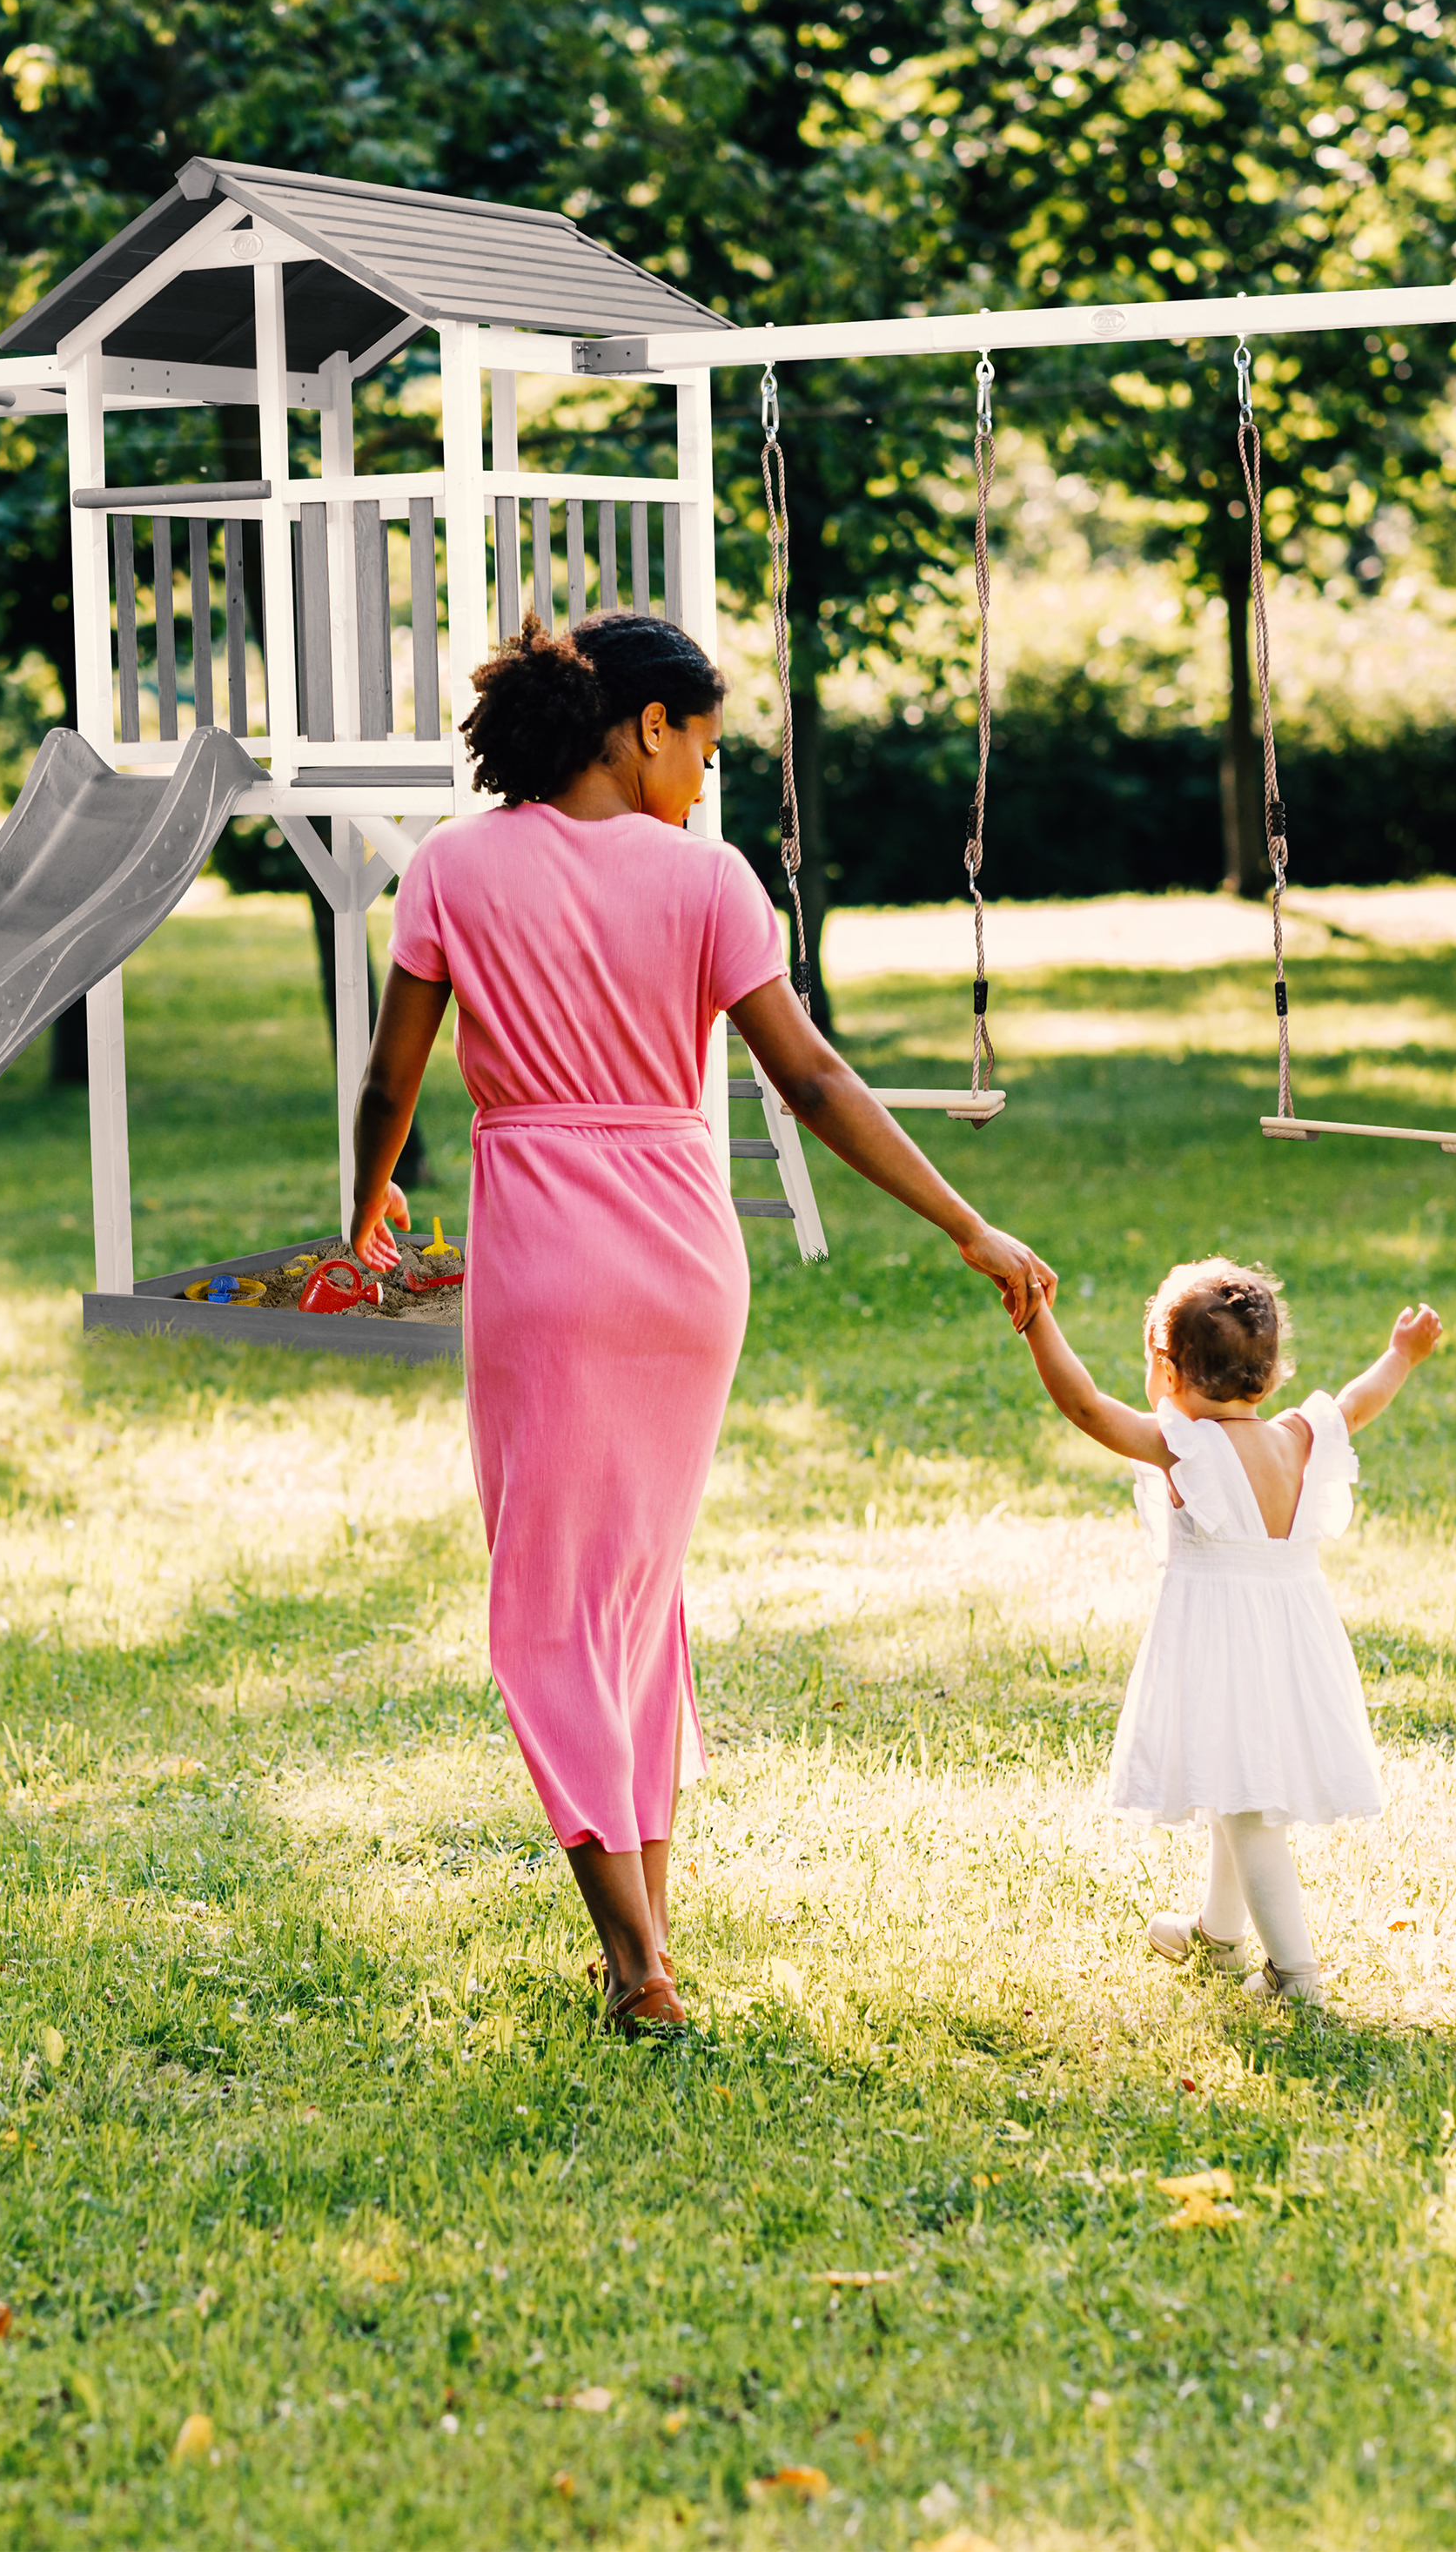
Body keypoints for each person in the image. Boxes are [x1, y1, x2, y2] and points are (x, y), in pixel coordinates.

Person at [346, 611, 1056, 2038]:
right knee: (632, 1596)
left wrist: (362, 1209)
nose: (706, 778)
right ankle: (649, 1934)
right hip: (683, 1261)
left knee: (551, 1607)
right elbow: (814, 1080)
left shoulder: (453, 867)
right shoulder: (710, 881)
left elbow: (391, 1080)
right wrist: (964, 1221)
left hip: (546, 1260)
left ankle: (634, 1963)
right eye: (705, 747)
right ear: (643, 724)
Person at [1015, 1259, 1444, 2005]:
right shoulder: (1299, 1437)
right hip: (1291, 1643)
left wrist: (1036, 1318)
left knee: (1247, 1811)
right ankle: (1218, 1935)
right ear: (1271, 1375)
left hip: (1223, 1647)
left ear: (1167, 1370)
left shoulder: (1186, 1449)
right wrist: (1401, 1355)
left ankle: (1294, 1974)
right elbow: (1358, 1400)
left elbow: (1084, 1406)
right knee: (1231, 1782)